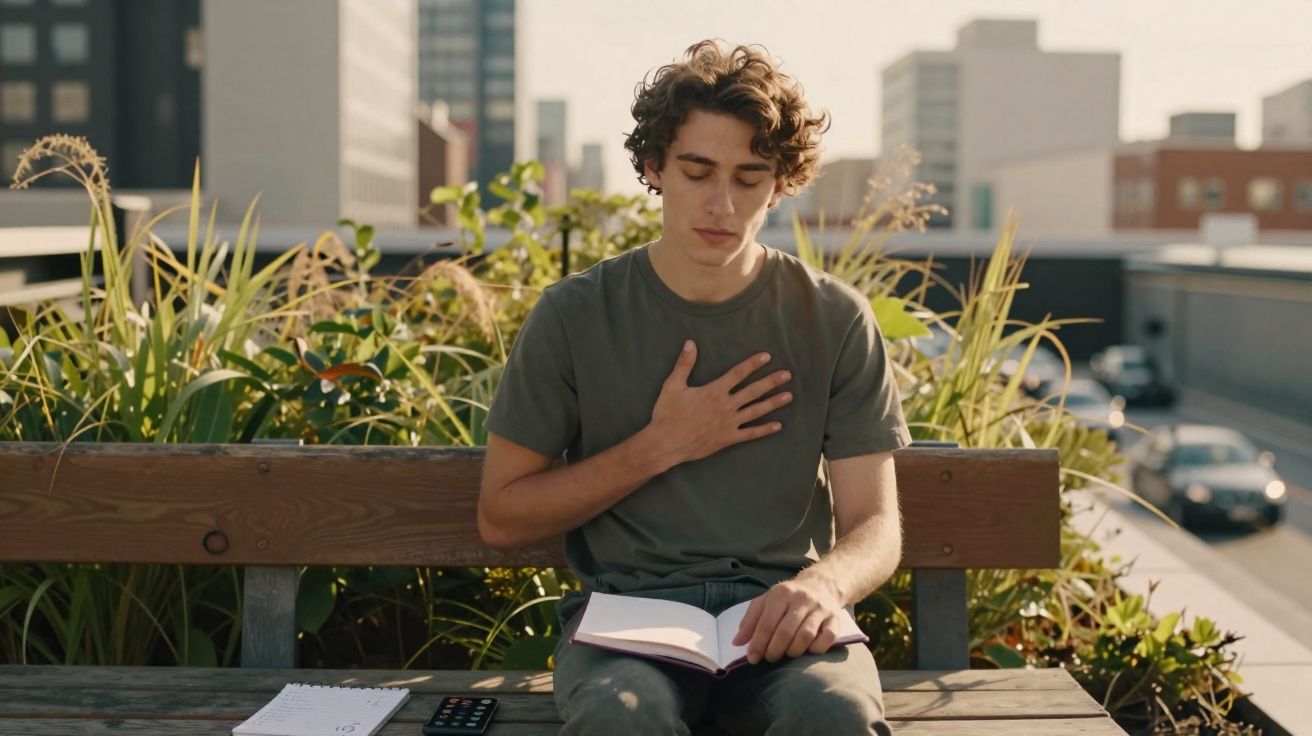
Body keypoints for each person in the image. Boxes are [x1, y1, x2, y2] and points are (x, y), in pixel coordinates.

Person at [478, 39, 910, 735]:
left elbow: (875, 524)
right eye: (697, 170)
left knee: (833, 713)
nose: (722, 203)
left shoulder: (833, 317)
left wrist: (821, 586)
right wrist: (661, 445)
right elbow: (501, 515)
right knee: (624, 719)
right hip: (629, 624)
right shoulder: (574, 315)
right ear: (653, 167)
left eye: (749, 177)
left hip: (784, 619)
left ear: (780, 184)